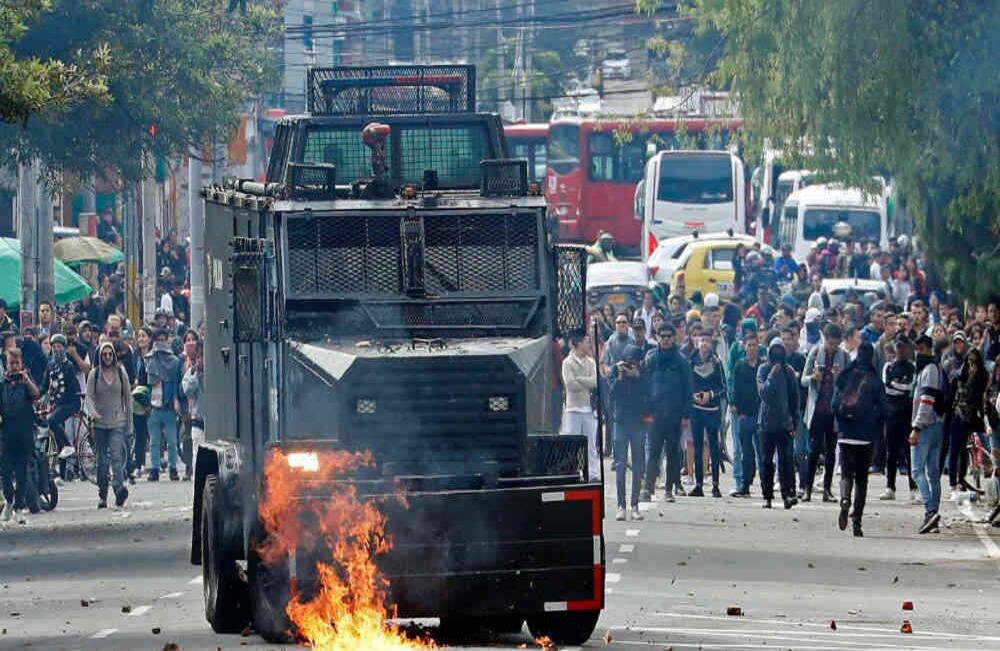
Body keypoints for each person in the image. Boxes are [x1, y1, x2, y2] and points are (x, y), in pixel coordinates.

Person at [831, 342, 885, 536]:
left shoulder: (845, 376)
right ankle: (857, 523)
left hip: (845, 435)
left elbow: (835, 403)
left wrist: (842, 423)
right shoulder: (875, 380)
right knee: (862, 480)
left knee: (846, 474)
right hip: (865, 437)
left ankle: (845, 498)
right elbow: (884, 409)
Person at [640, 323, 692, 503]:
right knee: (653, 452)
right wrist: (646, 412)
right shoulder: (651, 359)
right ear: (657, 337)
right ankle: (648, 488)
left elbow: (688, 389)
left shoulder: (681, 361)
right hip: (655, 415)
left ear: (674, 337)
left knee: (672, 454)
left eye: (669, 336)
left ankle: (669, 489)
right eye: (662, 336)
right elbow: (645, 386)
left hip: (675, 415)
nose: (666, 339)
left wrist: (685, 416)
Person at [802, 323, 849, 502]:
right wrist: (813, 377)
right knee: (813, 450)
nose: (832, 347)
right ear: (825, 340)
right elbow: (803, 380)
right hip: (817, 409)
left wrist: (839, 377)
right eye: (830, 343)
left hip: (833, 412)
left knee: (831, 451)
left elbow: (849, 383)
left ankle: (827, 489)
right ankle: (807, 488)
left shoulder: (844, 356)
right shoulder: (815, 352)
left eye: (835, 344)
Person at [84, 341, 132, 508]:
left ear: (114, 356)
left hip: (117, 422)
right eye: (104, 354)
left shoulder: (121, 372)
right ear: (100, 356)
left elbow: (128, 399)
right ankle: (103, 494)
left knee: (117, 457)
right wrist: (93, 413)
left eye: (110, 354)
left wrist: (129, 425)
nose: (107, 357)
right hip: (99, 424)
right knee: (102, 460)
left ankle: (119, 490)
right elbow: (88, 397)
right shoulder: (94, 374)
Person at [757, 339, 801, 509]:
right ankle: (767, 496)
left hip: (784, 423)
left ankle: (787, 494)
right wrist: (772, 376)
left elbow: (795, 399)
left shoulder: (789, 372)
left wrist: (795, 422)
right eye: (774, 351)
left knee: (786, 461)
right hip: (766, 424)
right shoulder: (763, 370)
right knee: (766, 462)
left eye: (780, 351)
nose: (777, 355)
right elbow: (764, 393)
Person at [910, 334, 946, 534]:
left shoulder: (929, 369)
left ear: (930, 349)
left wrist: (916, 427)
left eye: (923, 349)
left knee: (917, 471)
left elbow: (927, 401)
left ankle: (931, 511)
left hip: (926, 427)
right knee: (932, 473)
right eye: (918, 349)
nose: (919, 353)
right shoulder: (929, 368)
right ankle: (933, 519)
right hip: (934, 425)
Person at [0, 349, 41, 521]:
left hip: (24, 434)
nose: (15, 366)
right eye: (12, 363)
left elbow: (36, 394)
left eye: (17, 363)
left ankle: (18, 507)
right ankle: (9, 500)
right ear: (6, 364)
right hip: (6, 435)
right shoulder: (2, 384)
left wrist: (27, 382)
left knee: (22, 473)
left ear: (21, 363)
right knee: (5, 472)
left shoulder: (26, 380)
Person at [609, 345, 646, 520]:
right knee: (620, 465)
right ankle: (621, 505)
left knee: (638, 466)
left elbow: (648, 395)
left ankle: (635, 505)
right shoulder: (617, 373)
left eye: (633, 363)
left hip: (638, 423)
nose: (630, 366)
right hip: (621, 423)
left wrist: (637, 376)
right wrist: (620, 377)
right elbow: (611, 395)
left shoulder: (643, 376)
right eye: (627, 362)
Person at [946, 346, 988, 499]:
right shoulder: (960, 375)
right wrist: (969, 377)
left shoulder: (981, 376)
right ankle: (953, 482)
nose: (971, 364)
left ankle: (962, 480)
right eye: (969, 360)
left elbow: (976, 396)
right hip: (958, 415)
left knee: (965, 451)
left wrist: (973, 378)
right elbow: (959, 395)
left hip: (971, 418)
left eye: (974, 361)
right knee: (955, 450)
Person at [880, 335, 918, 501]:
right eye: (898, 347)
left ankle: (914, 487)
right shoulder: (888, 367)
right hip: (891, 414)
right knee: (891, 452)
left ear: (908, 348)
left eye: (903, 347)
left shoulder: (913, 367)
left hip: (908, 414)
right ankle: (890, 487)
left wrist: (897, 385)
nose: (901, 350)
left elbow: (911, 388)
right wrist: (901, 387)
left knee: (910, 452)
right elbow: (887, 387)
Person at [689, 330, 726, 498]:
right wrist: (693, 396)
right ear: (697, 342)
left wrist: (710, 395)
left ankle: (715, 485)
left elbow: (723, 388)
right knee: (697, 447)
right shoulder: (691, 362)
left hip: (712, 411)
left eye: (708, 341)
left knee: (714, 447)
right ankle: (698, 485)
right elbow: (686, 384)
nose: (704, 344)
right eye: (702, 340)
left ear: (712, 345)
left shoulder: (716, 363)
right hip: (696, 410)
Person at [145, 328, 182, 481]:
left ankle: (173, 468)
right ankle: (155, 469)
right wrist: (145, 403)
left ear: (167, 340)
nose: (160, 342)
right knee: (154, 441)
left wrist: (176, 400)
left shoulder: (175, 362)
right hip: (154, 406)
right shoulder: (149, 360)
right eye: (158, 339)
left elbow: (177, 383)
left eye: (163, 339)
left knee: (172, 442)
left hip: (169, 407)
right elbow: (145, 383)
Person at [561, 335, 599, 481]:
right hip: (573, 408)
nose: (589, 344)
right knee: (572, 442)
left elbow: (594, 381)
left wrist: (580, 379)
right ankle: (571, 471)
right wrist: (585, 383)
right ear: (578, 344)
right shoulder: (567, 363)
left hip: (588, 408)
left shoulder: (591, 362)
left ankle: (592, 472)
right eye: (586, 342)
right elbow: (570, 384)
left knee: (591, 443)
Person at [729, 330, 762, 497]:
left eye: (754, 345)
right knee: (746, 453)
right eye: (749, 345)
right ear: (744, 347)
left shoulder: (763, 366)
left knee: (762, 452)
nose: (752, 348)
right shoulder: (739, 365)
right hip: (745, 415)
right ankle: (745, 485)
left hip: (761, 416)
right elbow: (735, 388)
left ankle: (766, 485)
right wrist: (735, 406)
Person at [42, 334, 82, 473]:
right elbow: (44, 386)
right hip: (59, 403)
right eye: (54, 346)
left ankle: (68, 445)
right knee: (56, 432)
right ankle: (62, 472)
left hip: (71, 401)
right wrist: (35, 396)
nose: (56, 349)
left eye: (59, 346)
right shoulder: (50, 365)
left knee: (52, 421)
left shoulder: (68, 366)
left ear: (64, 348)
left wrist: (56, 402)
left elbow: (69, 390)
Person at [182, 341, 205, 482]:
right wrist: (196, 374)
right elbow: (188, 390)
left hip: (215, 423)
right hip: (198, 421)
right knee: (198, 457)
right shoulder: (190, 374)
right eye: (198, 357)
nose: (201, 360)